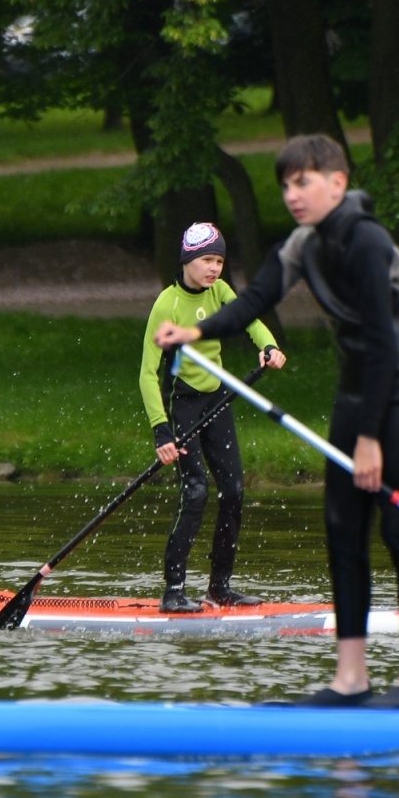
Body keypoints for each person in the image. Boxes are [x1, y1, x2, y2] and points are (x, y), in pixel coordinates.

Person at [154, 134, 399, 709]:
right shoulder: (303, 245)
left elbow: (384, 341)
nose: (291, 194)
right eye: (285, 184)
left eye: (302, 182)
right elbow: (253, 301)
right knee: (343, 529)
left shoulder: (368, 242)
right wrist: (195, 331)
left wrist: (369, 436)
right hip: (355, 392)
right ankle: (351, 681)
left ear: (338, 182)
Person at [140, 222, 287, 614]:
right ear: (187, 260)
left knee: (234, 490)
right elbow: (147, 374)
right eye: (206, 260)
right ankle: (173, 591)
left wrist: (268, 346)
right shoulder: (167, 305)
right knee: (196, 492)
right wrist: (161, 431)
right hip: (184, 405)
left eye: (219, 261)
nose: (214, 268)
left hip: (217, 401)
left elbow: (250, 319)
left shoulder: (220, 291)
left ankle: (220, 588)